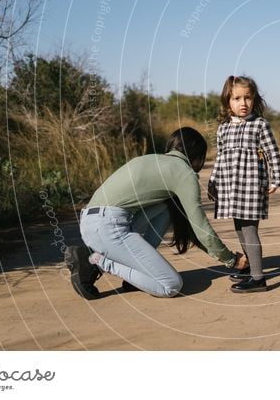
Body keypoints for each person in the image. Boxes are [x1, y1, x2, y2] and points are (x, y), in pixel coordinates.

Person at [64, 127, 248, 300]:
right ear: (197, 157)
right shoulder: (184, 173)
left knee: (167, 206)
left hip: (91, 221)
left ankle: (135, 274)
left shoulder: (149, 159)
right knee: (170, 285)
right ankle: (96, 261)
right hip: (109, 227)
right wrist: (230, 260)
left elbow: (183, 221)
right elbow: (200, 226)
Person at [208, 75, 280, 293]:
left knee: (249, 230)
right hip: (231, 187)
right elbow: (220, 157)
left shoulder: (260, 125)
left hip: (251, 186)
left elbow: (272, 154)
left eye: (247, 98)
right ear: (227, 102)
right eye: (237, 98)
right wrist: (213, 181)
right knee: (240, 229)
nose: (243, 103)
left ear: (254, 100)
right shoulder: (223, 129)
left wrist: (275, 178)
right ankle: (250, 269)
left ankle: (258, 279)